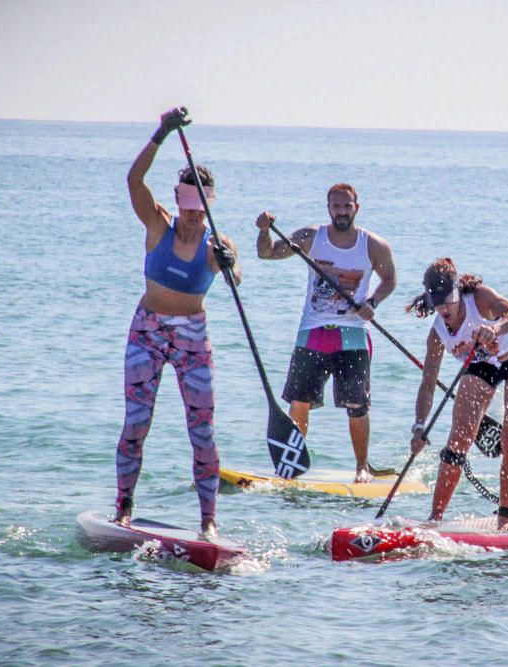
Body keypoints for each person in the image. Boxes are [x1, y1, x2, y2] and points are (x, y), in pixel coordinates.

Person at [114, 107, 242, 537]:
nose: (191, 213)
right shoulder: (158, 223)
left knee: (202, 431)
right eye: (185, 202)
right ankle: (124, 509)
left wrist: (229, 266)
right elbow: (134, 181)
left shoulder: (217, 243)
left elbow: (236, 276)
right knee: (136, 424)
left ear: (207, 203)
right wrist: (162, 132)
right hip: (147, 330)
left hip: (192, 336)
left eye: (198, 204)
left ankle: (208, 522)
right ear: (179, 198)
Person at [255, 183, 396, 483]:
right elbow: (266, 253)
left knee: (357, 406)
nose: (341, 212)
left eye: (347, 206)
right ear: (328, 208)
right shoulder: (310, 238)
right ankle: (290, 466)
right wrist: (265, 229)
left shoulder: (373, 245)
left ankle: (362, 467)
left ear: (357, 207)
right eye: (336, 206)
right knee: (299, 402)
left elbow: (390, 279)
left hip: (353, 334)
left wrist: (372, 302)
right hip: (313, 331)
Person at [408, 258, 508, 529]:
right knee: (458, 439)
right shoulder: (437, 335)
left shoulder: (479, 298)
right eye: (439, 302)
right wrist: (419, 426)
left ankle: (505, 518)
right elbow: (428, 383)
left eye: (449, 300)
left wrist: (495, 329)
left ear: (458, 292)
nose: (445, 308)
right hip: (481, 366)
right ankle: (434, 518)